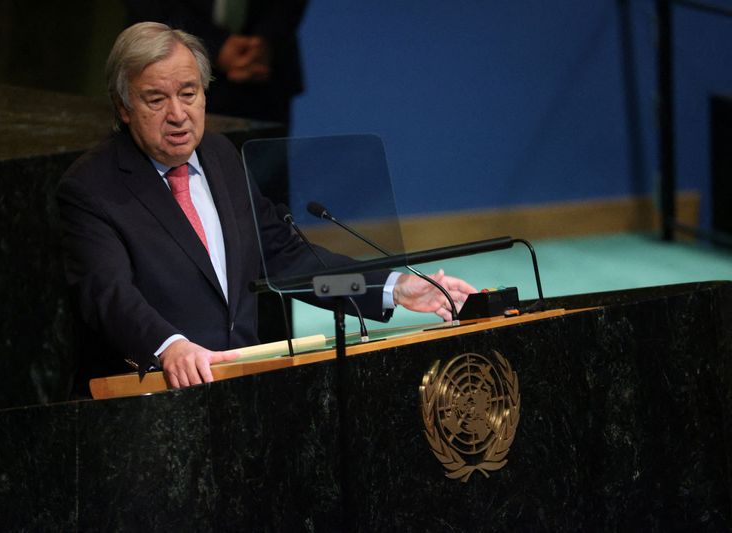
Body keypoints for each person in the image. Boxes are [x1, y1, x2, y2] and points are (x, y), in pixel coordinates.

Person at [57, 22, 475, 393]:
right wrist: (170, 346)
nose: (178, 114)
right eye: (156, 100)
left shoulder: (220, 156)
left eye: (188, 94)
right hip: (153, 397)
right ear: (124, 107)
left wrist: (392, 288)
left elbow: (287, 260)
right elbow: (107, 294)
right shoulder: (92, 187)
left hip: (244, 388)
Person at [124, 0, 307, 125]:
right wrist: (215, 46)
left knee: (260, 168)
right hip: (168, 66)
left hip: (264, 75)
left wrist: (266, 38)